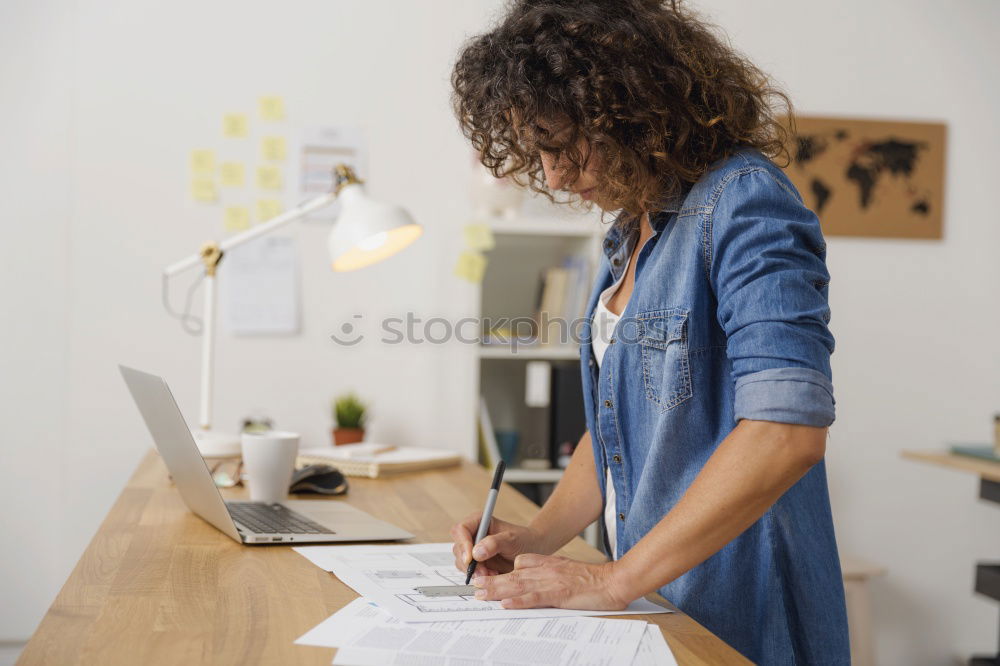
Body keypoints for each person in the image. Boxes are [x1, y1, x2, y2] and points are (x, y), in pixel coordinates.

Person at [448, 1, 850, 664]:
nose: (550, 176)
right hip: (656, 606)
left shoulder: (745, 200)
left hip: (737, 612)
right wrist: (538, 536)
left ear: (630, 111)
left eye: (560, 145)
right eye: (538, 153)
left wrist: (613, 580)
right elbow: (619, 435)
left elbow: (787, 432)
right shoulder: (628, 235)